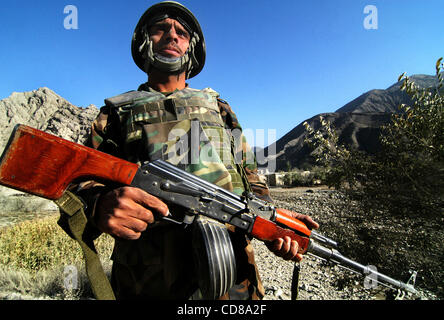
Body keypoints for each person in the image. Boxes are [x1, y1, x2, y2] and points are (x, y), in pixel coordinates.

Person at [67, 1, 319, 300]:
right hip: (146, 280)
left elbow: (250, 178)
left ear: (192, 46)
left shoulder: (219, 109)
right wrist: (99, 204)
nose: (172, 36)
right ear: (143, 41)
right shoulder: (115, 115)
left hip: (231, 274)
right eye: (160, 29)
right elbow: (74, 182)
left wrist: (272, 223)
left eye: (182, 33)